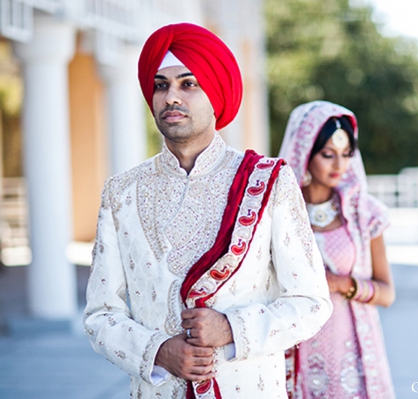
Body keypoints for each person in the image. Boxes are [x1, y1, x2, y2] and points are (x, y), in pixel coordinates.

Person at [83, 23, 332, 399]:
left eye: (189, 84)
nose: (171, 97)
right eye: (160, 85)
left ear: (216, 93)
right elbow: (100, 315)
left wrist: (232, 328)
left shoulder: (269, 181)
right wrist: (158, 351)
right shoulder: (122, 193)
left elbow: (312, 303)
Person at [279, 101, 396, 398]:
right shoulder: (277, 214)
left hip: (352, 354)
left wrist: (342, 284)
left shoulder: (364, 215)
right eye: (328, 155)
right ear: (305, 153)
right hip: (294, 350)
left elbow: (387, 293)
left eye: (346, 155)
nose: (339, 166)